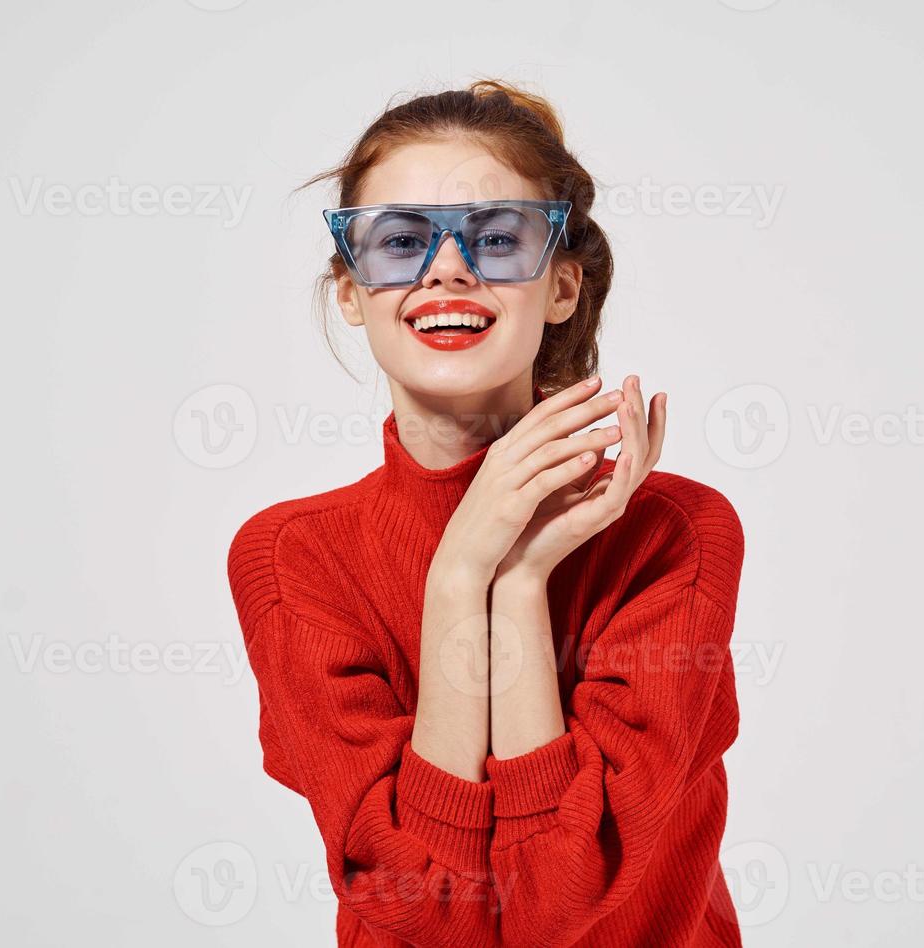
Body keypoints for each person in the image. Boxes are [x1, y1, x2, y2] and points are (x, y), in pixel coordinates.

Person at [227, 79, 746, 947]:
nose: (447, 268)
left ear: (562, 288)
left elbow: (563, 914)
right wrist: (461, 571)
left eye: (499, 238)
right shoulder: (292, 557)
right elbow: (428, 916)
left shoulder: (673, 535)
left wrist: (519, 579)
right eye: (398, 241)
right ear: (351, 292)